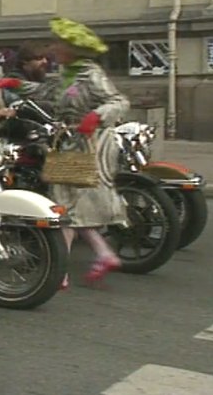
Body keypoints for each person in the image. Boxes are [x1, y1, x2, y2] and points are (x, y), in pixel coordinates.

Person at [33, 18, 129, 289]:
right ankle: (101, 254)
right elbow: (44, 94)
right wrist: (11, 85)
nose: (53, 47)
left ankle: (60, 270)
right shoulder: (65, 74)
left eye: (58, 43)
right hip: (67, 142)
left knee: (63, 207)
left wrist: (96, 116)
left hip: (83, 143)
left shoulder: (90, 73)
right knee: (68, 207)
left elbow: (119, 102)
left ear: (71, 48)